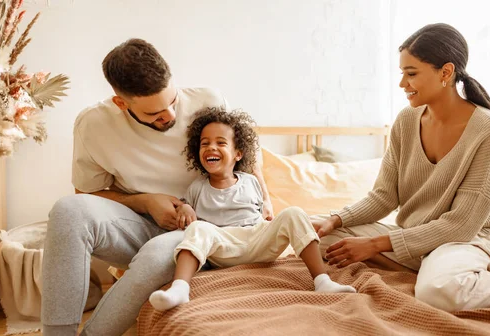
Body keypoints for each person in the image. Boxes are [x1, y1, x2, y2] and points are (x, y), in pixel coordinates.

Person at [41, 38, 274, 336]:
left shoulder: (208, 100)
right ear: (121, 103)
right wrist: (146, 201)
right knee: (67, 210)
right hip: (139, 225)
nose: (171, 116)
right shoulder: (93, 125)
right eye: (155, 114)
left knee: (157, 255)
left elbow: (247, 158)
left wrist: (266, 200)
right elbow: (86, 195)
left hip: (203, 231)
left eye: (172, 101)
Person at [311, 23, 490, 312]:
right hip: (416, 236)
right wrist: (335, 220)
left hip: (467, 238)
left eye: (411, 74)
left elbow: (461, 223)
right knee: (315, 235)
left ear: (445, 73)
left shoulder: (489, 130)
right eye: (402, 74)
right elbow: (384, 196)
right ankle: (426, 266)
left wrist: (375, 245)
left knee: (439, 292)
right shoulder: (406, 121)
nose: (402, 84)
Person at [148, 108, 356, 311]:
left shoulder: (250, 181)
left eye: (220, 143)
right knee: (198, 229)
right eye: (205, 144)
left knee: (293, 213)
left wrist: (269, 217)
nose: (211, 147)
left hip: (257, 241)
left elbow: (261, 214)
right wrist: (184, 207)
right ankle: (180, 289)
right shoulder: (197, 187)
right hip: (223, 247)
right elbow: (189, 217)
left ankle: (322, 281)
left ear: (238, 154)